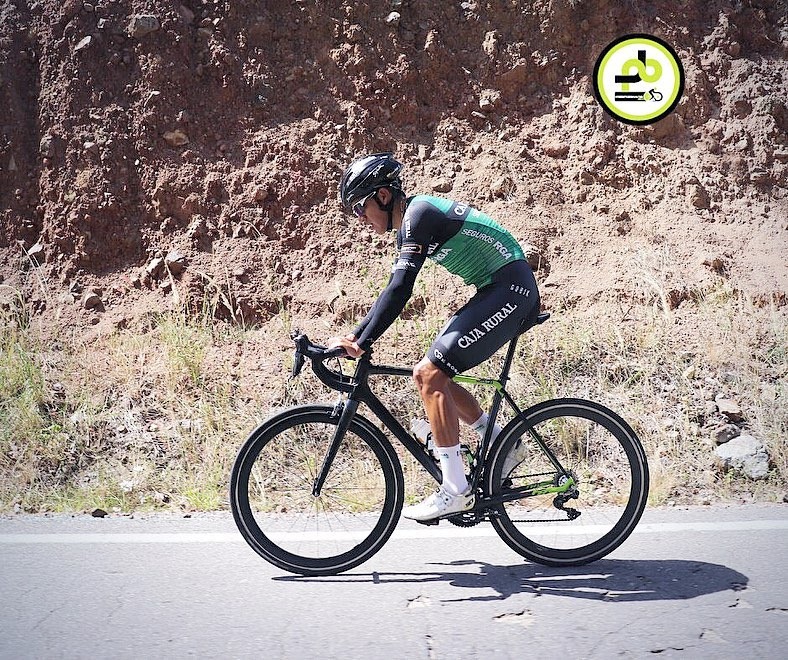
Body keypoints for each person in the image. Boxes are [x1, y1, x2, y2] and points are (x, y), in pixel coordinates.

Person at [329, 153, 540, 522]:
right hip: (498, 288)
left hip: (511, 290)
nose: (360, 218)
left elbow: (400, 289)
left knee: (430, 374)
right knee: (429, 373)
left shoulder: (419, 214)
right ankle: (500, 443)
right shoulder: (412, 221)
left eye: (360, 208)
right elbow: (393, 288)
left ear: (382, 196)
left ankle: (456, 490)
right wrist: (356, 335)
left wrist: (360, 339)